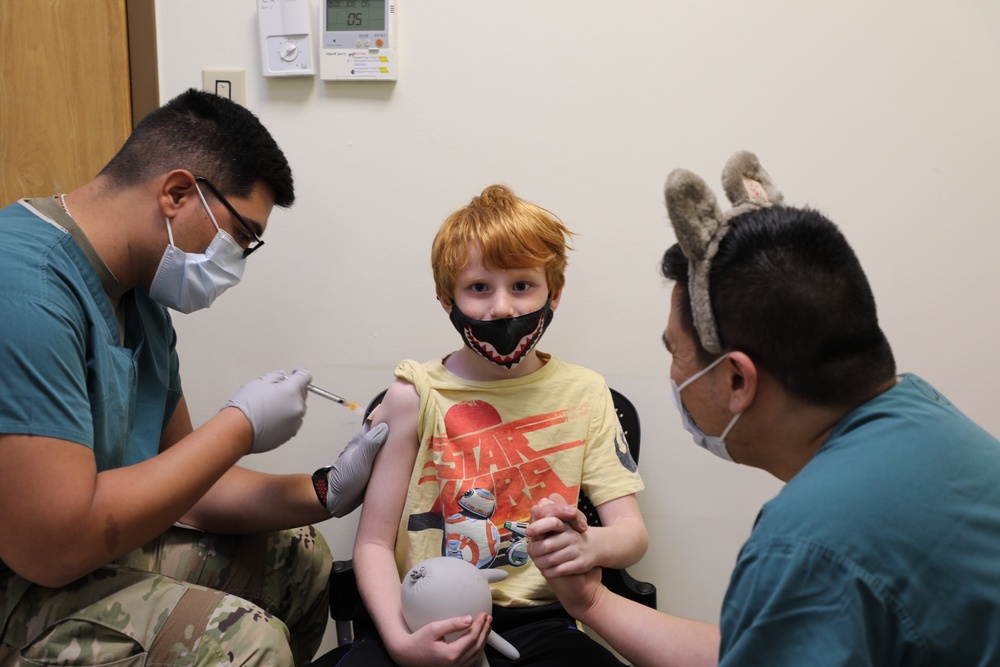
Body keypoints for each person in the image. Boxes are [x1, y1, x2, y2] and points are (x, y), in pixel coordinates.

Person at [526, 151, 1000, 666]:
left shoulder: (806, 546)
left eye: (675, 352)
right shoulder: (926, 415)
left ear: (736, 380)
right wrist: (591, 601)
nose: (673, 375)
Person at [0, 88, 388, 666]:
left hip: (73, 550)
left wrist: (327, 489)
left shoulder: (140, 297)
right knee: (240, 640)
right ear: (178, 193)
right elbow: (51, 550)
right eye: (241, 237)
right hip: (24, 572)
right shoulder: (25, 291)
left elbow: (192, 490)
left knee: (297, 560)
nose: (237, 261)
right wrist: (239, 425)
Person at [339, 184, 648, 667]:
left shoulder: (586, 393)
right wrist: (402, 644)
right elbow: (374, 543)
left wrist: (585, 543)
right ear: (447, 298)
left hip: (541, 620)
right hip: (421, 618)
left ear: (556, 294)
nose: (502, 308)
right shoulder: (413, 395)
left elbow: (631, 536)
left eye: (522, 285)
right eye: (479, 287)